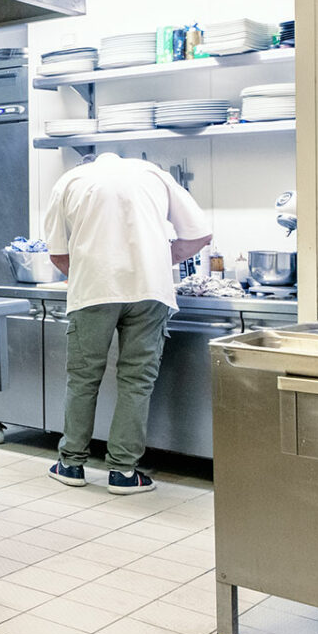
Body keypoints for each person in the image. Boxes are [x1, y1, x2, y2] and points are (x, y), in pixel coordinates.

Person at [41, 153, 211, 495]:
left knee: (83, 379)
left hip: (93, 292)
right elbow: (200, 235)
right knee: (137, 381)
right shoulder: (154, 174)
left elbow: (57, 254)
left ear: (88, 164)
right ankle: (123, 472)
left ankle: (71, 464)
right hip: (150, 290)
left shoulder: (70, 181)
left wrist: (93, 273)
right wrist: (159, 259)